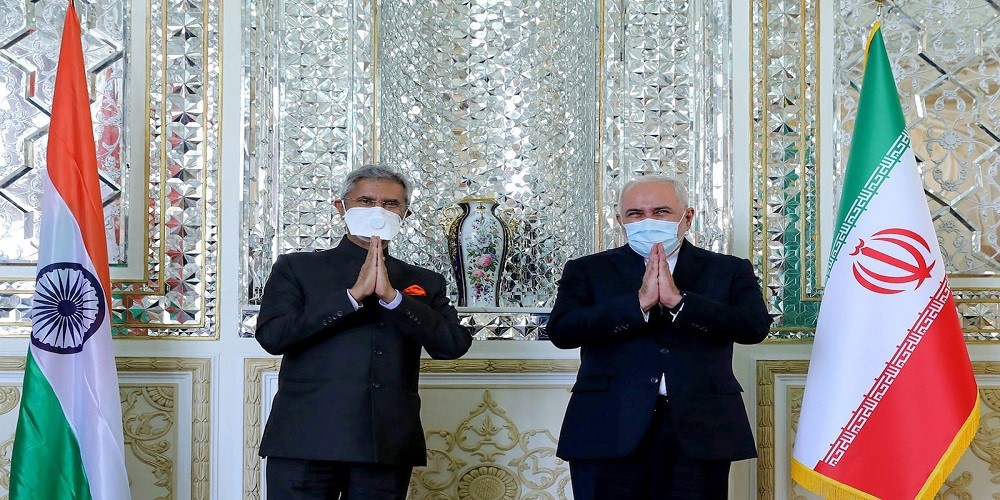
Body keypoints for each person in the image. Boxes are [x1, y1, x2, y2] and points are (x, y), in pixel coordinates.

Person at [546, 175, 772, 499]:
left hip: (701, 429)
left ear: (687, 217)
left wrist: (680, 303)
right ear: (620, 221)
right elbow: (562, 331)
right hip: (608, 426)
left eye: (661, 211)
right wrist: (637, 304)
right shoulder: (587, 270)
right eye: (636, 213)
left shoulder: (729, 269)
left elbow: (754, 327)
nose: (648, 221)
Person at [255, 164, 473, 499]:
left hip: (385, 443)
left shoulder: (425, 280)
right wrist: (351, 297)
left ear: (405, 214)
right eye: (366, 201)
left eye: (390, 204)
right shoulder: (297, 267)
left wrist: (394, 299)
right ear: (341, 207)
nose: (378, 211)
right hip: (305, 438)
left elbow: (453, 345)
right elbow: (273, 336)